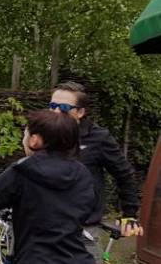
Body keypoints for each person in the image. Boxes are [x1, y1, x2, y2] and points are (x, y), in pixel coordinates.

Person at [0, 111, 96, 263]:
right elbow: (88, 209)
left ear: (34, 140)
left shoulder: (23, 170)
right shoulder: (83, 173)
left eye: (25, 135)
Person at [50, 82, 143, 249]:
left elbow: (124, 174)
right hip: (46, 227)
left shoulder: (98, 138)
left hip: (83, 231)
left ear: (80, 112)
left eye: (63, 107)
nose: (56, 111)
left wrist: (129, 214)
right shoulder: (45, 134)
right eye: (53, 105)